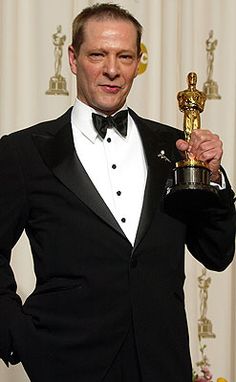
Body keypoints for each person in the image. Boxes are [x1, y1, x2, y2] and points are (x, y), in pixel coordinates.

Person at [0, 3, 235, 382]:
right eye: (98, 55)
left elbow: (217, 253)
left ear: (138, 62)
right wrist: (18, 336)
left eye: (125, 56)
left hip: (162, 364)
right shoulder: (23, 153)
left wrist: (214, 182)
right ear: (74, 59)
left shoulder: (174, 148)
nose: (112, 69)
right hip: (68, 366)